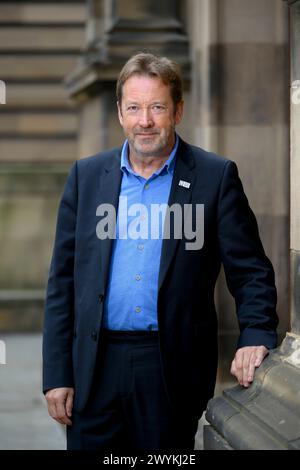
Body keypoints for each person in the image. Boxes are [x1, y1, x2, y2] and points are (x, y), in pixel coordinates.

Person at [43, 53, 278, 451]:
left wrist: (255, 334)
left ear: (178, 110)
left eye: (157, 107)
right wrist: (57, 373)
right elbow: (62, 282)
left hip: (169, 370)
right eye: (134, 107)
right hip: (94, 367)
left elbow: (251, 270)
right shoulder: (86, 177)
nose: (145, 120)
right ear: (120, 112)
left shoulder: (214, 177)